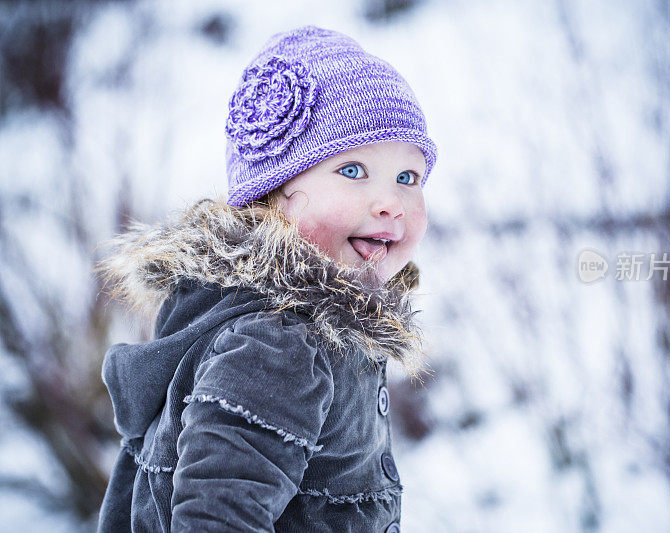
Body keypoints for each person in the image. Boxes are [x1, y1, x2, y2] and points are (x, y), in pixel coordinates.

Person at [96, 25, 437, 532]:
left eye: (407, 178)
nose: (390, 203)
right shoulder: (278, 346)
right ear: (273, 194)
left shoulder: (300, 323)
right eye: (352, 170)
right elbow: (218, 516)